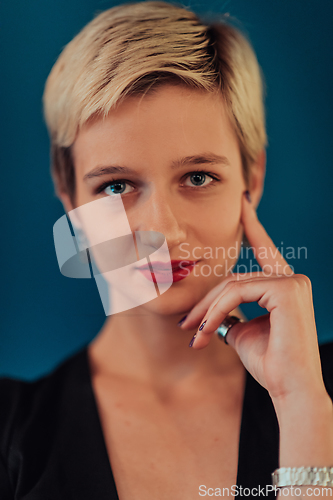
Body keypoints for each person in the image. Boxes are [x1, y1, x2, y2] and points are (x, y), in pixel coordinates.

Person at [1, 2, 333, 499]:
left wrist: (303, 410)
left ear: (253, 178)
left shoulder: (321, 399)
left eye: (198, 177)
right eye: (116, 186)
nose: (163, 230)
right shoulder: (10, 432)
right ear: (69, 198)